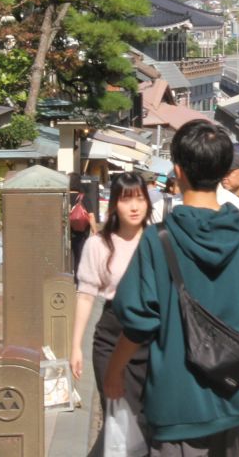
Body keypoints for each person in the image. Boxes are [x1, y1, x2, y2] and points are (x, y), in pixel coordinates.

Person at [103, 120, 239, 454]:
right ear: (225, 170)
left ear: (178, 172)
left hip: (173, 400)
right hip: (233, 392)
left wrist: (114, 372)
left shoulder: (157, 240)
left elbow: (138, 322)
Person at [70, 172, 152, 420]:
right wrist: (75, 346)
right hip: (112, 335)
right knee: (116, 418)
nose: (135, 207)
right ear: (114, 203)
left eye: (140, 198)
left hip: (151, 337)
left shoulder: (158, 241)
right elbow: (86, 295)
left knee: (146, 418)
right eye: (126, 200)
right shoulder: (98, 244)